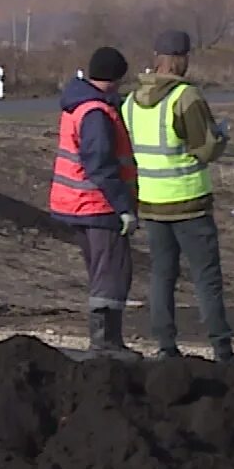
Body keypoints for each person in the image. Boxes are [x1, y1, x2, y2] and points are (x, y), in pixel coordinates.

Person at [122, 29, 234, 365]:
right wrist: (220, 137)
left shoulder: (130, 102)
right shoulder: (185, 97)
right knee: (206, 278)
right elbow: (205, 149)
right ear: (181, 59)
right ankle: (222, 349)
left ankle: (165, 346)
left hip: (152, 203)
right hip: (189, 202)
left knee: (162, 275)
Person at [47, 46, 141, 359]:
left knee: (101, 271)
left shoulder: (77, 104)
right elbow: (100, 163)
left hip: (74, 203)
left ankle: (106, 341)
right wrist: (124, 206)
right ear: (115, 78)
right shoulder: (96, 112)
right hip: (97, 204)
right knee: (111, 273)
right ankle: (105, 343)